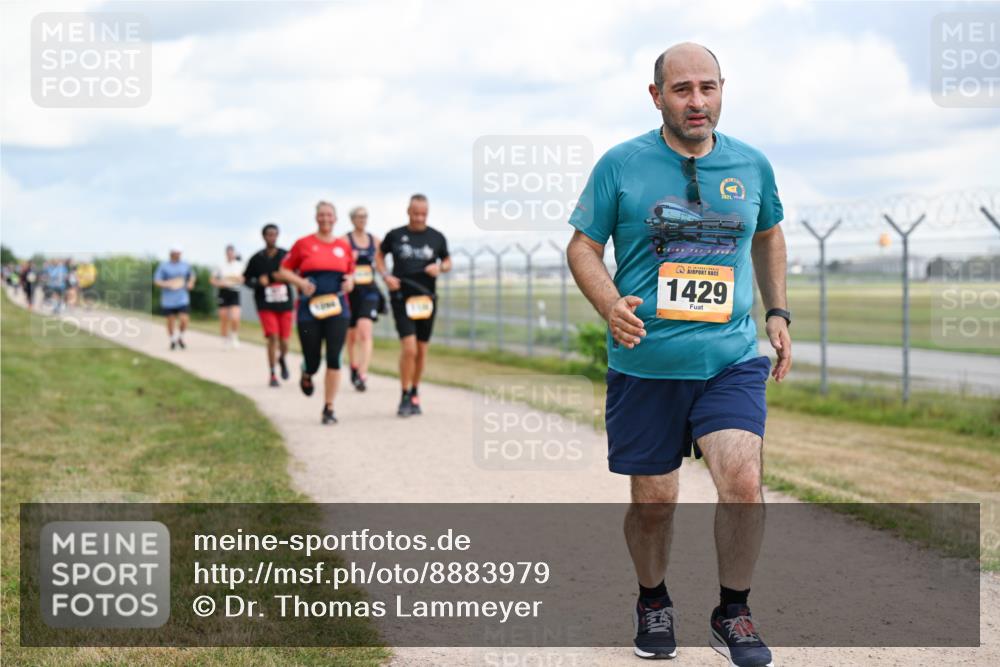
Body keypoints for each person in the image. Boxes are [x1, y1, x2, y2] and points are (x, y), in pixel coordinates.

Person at [566, 43, 791, 666]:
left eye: (708, 88)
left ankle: (733, 611)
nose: (697, 101)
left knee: (743, 482)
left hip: (731, 358)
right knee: (655, 502)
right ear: (657, 95)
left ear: (723, 89)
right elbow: (582, 247)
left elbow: (769, 233)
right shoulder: (621, 164)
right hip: (647, 363)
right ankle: (653, 599)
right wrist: (610, 303)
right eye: (683, 89)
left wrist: (776, 312)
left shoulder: (752, 164)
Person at [275, 201, 355, 425]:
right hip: (309, 309)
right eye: (321, 215)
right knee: (313, 358)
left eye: (329, 215)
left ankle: (329, 407)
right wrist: (300, 282)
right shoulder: (303, 244)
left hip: (338, 308)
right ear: (316, 218)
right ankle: (307, 372)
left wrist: (350, 282)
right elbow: (283, 270)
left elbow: (351, 273)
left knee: (334, 357)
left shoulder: (343, 246)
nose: (325, 218)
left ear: (336, 218)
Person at [376, 194, 451, 417]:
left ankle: (416, 391)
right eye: (415, 213)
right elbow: (379, 255)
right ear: (408, 211)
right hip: (401, 297)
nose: (419, 218)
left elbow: (447, 261)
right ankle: (405, 393)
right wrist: (385, 275)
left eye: (423, 214)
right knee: (408, 349)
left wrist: (440, 268)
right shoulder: (395, 235)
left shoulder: (437, 237)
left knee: (421, 351)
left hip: (426, 299)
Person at [244, 223, 294, 387]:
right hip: (265, 303)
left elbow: (294, 275)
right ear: (263, 236)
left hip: (284, 303)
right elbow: (246, 280)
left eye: (274, 234)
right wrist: (258, 282)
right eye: (269, 234)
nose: (272, 237)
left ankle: (282, 359)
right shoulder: (256, 259)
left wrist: (276, 277)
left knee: (284, 341)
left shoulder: (285, 256)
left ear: (278, 236)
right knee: (272, 337)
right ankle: (272, 373)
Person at [343, 206, 383, 392]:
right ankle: (353, 365)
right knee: (351, 335)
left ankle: (362, 373)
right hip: (350, 292)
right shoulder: (345, 241)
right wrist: (349, 260)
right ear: (352, 219)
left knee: (365, 331)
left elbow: (382, 263)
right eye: (359, 217)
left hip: (369, 290)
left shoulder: (375, 241)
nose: (362, 220)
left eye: (365, 216)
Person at [154, 246, 196, 350]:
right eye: (176, 253)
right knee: (170, 321)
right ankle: (172, 339)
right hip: (168, 300)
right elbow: (157, 281)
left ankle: (180, 337)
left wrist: (190, 283)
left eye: (179, 253)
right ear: (171, 254)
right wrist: (169, 284)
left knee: (184, 319)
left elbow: (192, 275)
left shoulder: (185, 264)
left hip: (182, 298)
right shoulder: (163, 266)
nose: (178, 255)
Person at [210, 245, 245, 348]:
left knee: (235, 317)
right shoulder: (220, 265)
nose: (230, 255)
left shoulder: (240, 265)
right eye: (228, 253)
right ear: (226, 253)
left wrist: (238, 279)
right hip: (223, 292)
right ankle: (224, 339)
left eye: (232, 253)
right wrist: (219, 283)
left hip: (235, 291)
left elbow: (243, 278)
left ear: (234, 253)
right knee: (224, 317)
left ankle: (234, 336)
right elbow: (212, 279)